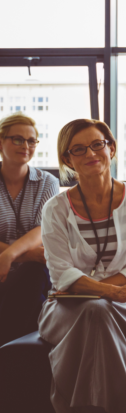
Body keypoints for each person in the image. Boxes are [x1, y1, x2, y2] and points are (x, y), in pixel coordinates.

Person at [39, 118, 126, 413]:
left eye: (97, 145)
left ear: (112, 148)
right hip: (67, 305)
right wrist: (106, 291)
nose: (91, 154)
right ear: (67, 159)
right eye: (78, 150)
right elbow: (61, 274)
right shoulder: (55, 208)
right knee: (97, 308)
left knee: (99, 310)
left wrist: (110, 293)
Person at [0, 113, 59, 346]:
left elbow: (41, 229)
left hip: (33, 269)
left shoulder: (48, 182)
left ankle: (7, 352)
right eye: (17, 139)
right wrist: (19, 254)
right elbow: (34, 247)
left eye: (31, 140)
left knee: (35, 272)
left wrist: (9, 255)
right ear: (1, 141)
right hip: (15, 263)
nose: (26, 146)